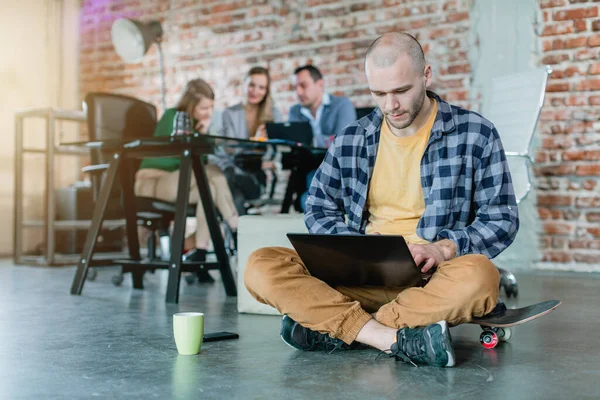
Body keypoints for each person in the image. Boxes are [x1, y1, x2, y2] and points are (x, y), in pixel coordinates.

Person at [243, 33, 519, 367]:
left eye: (401, 91)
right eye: (379, 93)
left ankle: (341, 327)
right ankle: (390, 338)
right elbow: (317, 205)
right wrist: (353, 247)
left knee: (481, 277)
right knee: (260, 264)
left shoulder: (475, 133)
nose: (390, 106)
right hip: (360, 277)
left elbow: (502, 218)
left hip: (433, 280)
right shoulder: (351, 139)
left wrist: (443, 249)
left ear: (426, 76)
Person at [135, 78, 239, 283]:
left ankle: (199, 251)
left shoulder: (196, 126)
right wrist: (200, 135)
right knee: (211, 172)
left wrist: (203, 132)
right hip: (152, 181)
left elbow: (198, 164)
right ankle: (235, 227)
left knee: (208, 188)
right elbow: (178, 155)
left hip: (179, 181)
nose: (208, 112)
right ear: (191, 105)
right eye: (203, 108)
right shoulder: (173, 116)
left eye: (211, 107)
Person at [288, 65, 358, 211]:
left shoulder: (341, 105)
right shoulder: (295, 111)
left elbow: (343, 142)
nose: (298, 92)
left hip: (336, 167)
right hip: (307, 166)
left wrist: (312, 140)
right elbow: (294, 144)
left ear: (319, 84)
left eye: (303, 85)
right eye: (295, 87)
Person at [220, 66, 283, 214]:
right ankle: (238, 235)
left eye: (261, 87)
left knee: (229, 186)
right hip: (235, 170)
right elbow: (230, 150)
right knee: (236, 197)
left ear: (267, 91)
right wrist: (255, 141)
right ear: (244, 85)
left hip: (258, 177)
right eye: (252, 85)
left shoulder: (274, 115)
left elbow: (277, 153)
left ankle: (235, 236)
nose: (255, 91)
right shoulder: (230, 114)